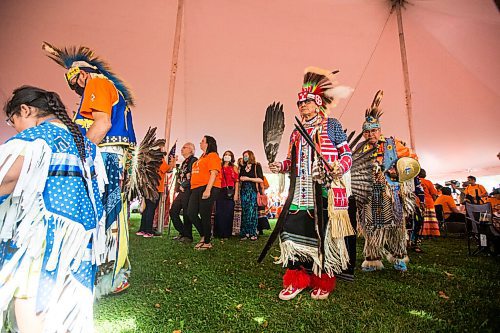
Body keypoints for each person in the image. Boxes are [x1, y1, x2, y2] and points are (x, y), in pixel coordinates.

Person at [0, 86, 106, 332]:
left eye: (12, 120)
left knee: (30, 297)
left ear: (25, 110)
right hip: (81, 239)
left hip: (44, 237)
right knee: (66, 306)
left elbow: (8, 177)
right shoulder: (84, 143)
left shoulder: (38, 137)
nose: (14, 128)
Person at [43, 42, 137, 295]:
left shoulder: (96, 82)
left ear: (82, 74)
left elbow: (102, 123)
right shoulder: (107, 87)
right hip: (113, 158)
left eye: (76, 84)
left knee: (105, 216)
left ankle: (109, 277)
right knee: (111, 215)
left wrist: (79, 156)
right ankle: (112, 274)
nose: (76, 89)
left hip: (106, 157)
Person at [268, 67, 353, 300]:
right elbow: (290, 161)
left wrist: (338, 167)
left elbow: (347, 154)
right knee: (291, 233)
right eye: (299, 103)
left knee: (322, 236)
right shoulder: (296, 133)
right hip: (298, 192)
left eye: (306, 102)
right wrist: (280, 167)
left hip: (324, 191)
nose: (302, 106)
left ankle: (322, 280)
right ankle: (296, 280)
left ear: (317, 103)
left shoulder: (332, 125)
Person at [357, 90, 418, 273]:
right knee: (370, 226)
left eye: (373, 131)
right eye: (366, 132)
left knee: (395, 227)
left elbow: (412, 162)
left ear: (380, 130)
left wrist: (396, 169)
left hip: (390, 193)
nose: (370, 135)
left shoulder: (393, 144)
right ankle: (372, 258)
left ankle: (399, 257)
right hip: (369, 194)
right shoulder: (360, 149)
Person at [187, 136, 221, 250]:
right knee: (191, 212)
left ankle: (207, 241)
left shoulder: (213, 156)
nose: (200, 143)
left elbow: (214, 173)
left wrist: (208, 189)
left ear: (208, 144)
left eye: (202, 141)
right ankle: (204, 234)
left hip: (208, 187)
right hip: (196, 188)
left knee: (204, 213)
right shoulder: (202, 157)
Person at [137, 148, 174, 238]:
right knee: (151, 209)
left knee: (147, 209)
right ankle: (148, 231)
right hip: (156, 188)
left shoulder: (147, 159)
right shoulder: (159, 160)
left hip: (147, 187)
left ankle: (142, 229)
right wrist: (173, 161)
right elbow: (168, 169)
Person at [170, 142, 198, 242]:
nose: (182, 149)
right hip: (182, 191)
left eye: (184, 147)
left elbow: (193, 176)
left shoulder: (193, 160)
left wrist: (184, 184)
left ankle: (188, 236)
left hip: (188, 190)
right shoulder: (184, 162)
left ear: (191, 150)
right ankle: (183, 232)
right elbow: (183, 175)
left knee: (186, 213)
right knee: (173, 211)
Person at [239, 150, 264, 241]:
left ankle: (253, 232)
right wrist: (242, 178)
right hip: (244, 191)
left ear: (250, 156)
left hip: (253, 190)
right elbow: (240, 177)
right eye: (244, 155)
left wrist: (248, 179)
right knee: (245, 211)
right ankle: (245, 232)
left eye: (246, 155)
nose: (245, 157)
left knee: (252, 211)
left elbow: (261, 179)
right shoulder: (243, 167)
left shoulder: (257, 166)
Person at [214, 150, 239, 238]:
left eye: (229, 155)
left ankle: (227, 233)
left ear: (232, 157)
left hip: (230, 190)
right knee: (219, 211)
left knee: (228, 212)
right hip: (220, 190)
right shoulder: (219, 166)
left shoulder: (234, 167)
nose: (227, 156)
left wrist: (236, 193)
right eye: (226, 155)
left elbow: (236, 181)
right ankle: (218, 233)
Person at [419, 169, 440, 237]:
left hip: (419, 202)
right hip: (429, 202)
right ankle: (432, 232)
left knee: (421, 217)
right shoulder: (428, 182)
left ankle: (421, 232)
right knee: (430, 218)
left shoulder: (415, 181)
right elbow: (433, 193)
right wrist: (435, 201)